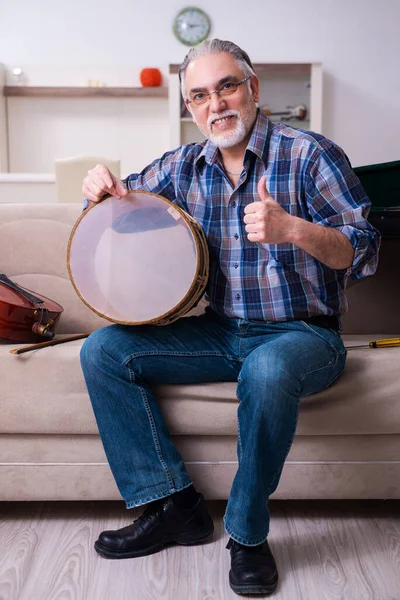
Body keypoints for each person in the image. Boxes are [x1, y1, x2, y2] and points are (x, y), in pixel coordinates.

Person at [80, 39, 380, 596]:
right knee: (103, 351)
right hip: (221, 331)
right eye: (199, 95)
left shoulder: (310, 154)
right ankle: (174, 507)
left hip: (303, 333)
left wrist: (294, 229)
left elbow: (363, 249)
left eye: (226, 86)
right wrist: (100, 189)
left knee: (266, 372)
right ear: (189, 108)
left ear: (253, 89)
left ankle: (246, 536)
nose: (215, 104)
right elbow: (119, 216)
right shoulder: (184, 166)